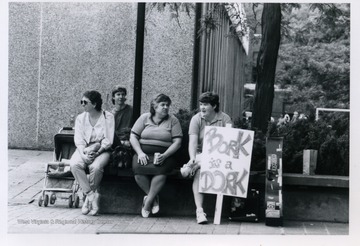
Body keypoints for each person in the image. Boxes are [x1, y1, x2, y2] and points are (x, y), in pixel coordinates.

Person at [181, 92, 232, 224]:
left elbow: (229, 143)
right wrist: (192, 158)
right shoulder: (196, 119)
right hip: (200, 154)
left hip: (219, 156)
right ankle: (199, 211)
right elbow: (192, 142)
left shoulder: (225, 119)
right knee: (199, 172)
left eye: (206, 104)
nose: (202, 107)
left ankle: (194, 166)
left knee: (195, 169)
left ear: (214, 106)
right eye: (201, 104)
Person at [130, 93, 182, 218]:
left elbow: (178, 142)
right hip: (144, 154)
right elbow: (133, 136)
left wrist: (164, 155)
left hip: (165, 155)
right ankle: (153, 198)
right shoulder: (144, 118)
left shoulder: (173, 120)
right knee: (138, 170)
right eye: (162, 105)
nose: (166, 107)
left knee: (161, 172)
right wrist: (140, 153)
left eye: (167, 105)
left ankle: (147, 203)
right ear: (154, 106)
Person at [70, 90, 115, 216]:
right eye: (81, 102)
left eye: (85, 102)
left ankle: (86, 202)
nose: (82, 104)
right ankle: (91, 196)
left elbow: (108, 140)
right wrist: (83, 154)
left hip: (102, 149)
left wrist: (97, 152)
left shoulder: (107, 117)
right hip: (84, 149)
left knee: (96, 167)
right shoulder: (80, 118)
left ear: (94, 104)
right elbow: (79, 140)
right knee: (75, 165)